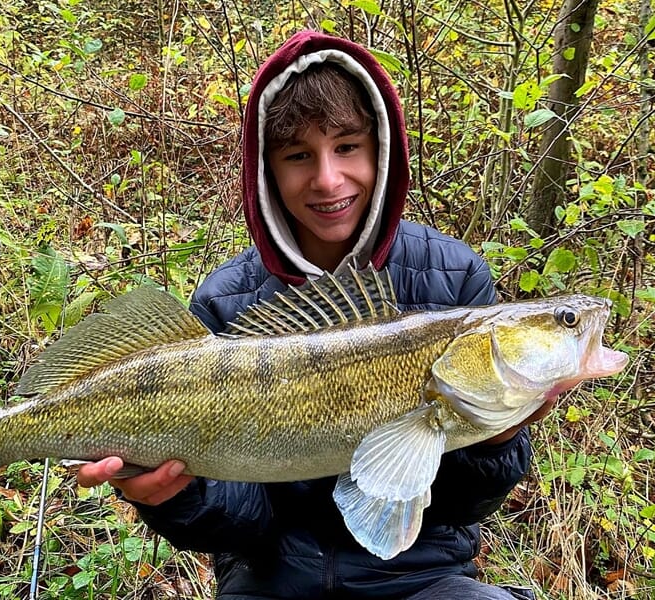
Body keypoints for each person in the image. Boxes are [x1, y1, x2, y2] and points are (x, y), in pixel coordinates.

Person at [78, 31, 548, 599]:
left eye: (347, 146)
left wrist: (497, 441)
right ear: (266, 172)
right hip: (270, 578)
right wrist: (171, 497)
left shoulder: (455, 280)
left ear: (382, 150)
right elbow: (242, 522)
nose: (327, 179)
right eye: (298, 155)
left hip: (423, 579)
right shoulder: (225, 302)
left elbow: (461, 506)